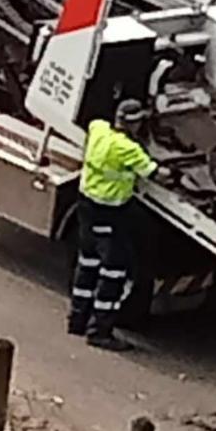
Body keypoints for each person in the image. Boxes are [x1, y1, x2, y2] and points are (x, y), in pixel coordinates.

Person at [67, 100, 170, 351]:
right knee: (114, 271)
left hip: (86, 207)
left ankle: (77, 320)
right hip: (109, 214)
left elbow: (93, 119)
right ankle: (99, 331)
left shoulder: (98, 130)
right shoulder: (128, 149)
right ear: (134, 123)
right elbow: (154, 173)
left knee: (88, 263)